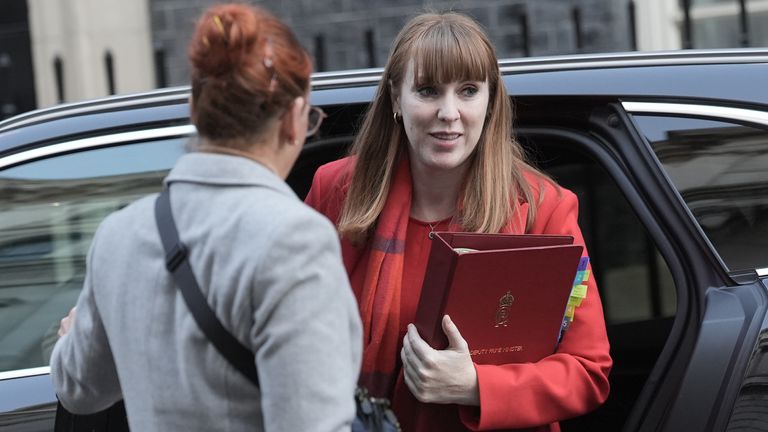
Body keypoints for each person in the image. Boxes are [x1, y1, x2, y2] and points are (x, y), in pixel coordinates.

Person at [50, 4, 362, 431]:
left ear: (195, 109)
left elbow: (77, 389)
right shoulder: (296, 240)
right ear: (293, 119)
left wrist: (72, 338)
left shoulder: (117, 235)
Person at [305, 11, 611, 432]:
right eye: (428, 90)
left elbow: (587, 371)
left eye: (468, 91)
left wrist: (476, 386)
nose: (449, 112)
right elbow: (297, 340)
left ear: (490, 101)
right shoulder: (335, 191)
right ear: (396, 97)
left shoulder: (543, 209)